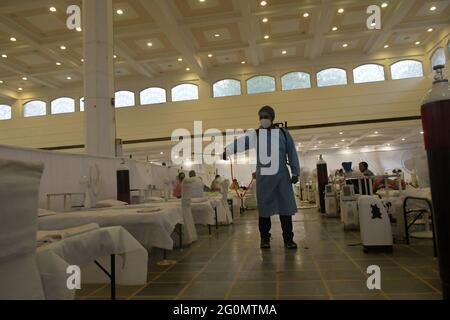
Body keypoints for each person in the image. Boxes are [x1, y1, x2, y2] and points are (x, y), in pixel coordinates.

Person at [223, 105, 300, 249]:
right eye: (261, 117)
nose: (263, 119)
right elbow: (241, 143)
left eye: (266, 117)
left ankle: (288, 239)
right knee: (264, 209)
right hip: (264, 178)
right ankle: (264, 238)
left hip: (282, 177)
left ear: (272, 118)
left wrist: (295, 172)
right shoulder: (256, 134)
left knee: (285, 209)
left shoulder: (283, 133)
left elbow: (292, 152)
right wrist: (227, 150)